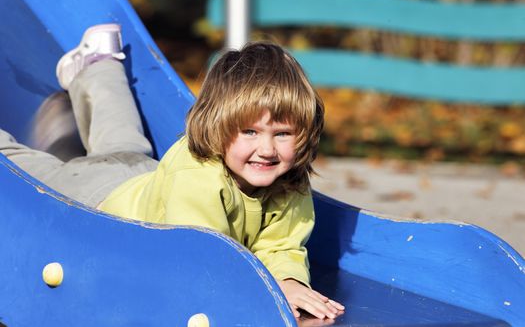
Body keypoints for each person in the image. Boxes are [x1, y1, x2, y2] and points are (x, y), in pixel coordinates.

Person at [0, 24, 344, 320]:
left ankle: (97, 66)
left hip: (141, 175)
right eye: (250, 132)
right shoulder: (197, 179)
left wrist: (287, 281)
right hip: (98, 200)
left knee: (121, 140)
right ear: (218, 127)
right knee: (26, 171)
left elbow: (283, 245)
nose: (267, 149)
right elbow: (202, 259)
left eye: (282, 134)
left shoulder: (289, 179)